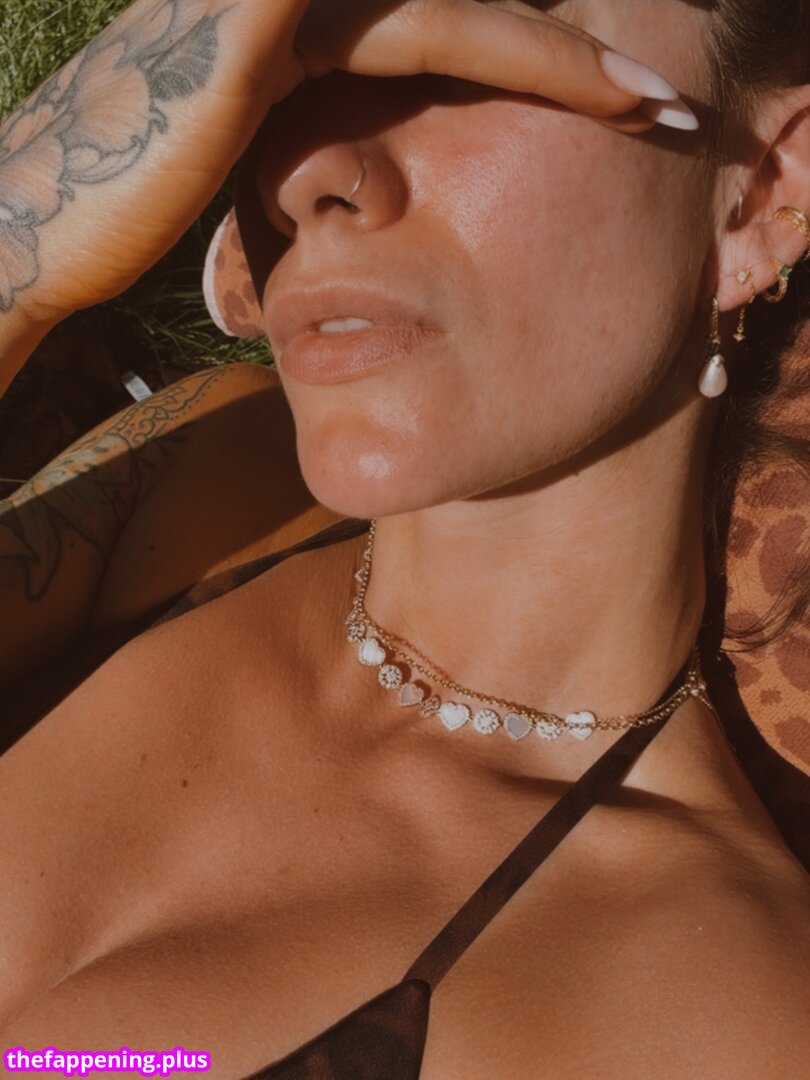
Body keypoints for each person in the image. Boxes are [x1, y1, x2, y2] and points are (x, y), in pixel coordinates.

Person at [0, 0, 808, 1076]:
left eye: (490, 32)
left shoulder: (714, 1020)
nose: (303, 172)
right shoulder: (205, 465)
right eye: (306, 58)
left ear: (758, 192)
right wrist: (19, 236)